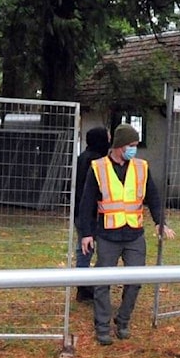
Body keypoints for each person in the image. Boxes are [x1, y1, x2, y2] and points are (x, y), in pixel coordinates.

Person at [78, 123, 175, 346]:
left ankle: (122, 320)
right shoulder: (98, 167)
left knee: (136, 280)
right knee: (102, 283)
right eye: (131, 145)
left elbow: (153, 196)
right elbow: (87, 203)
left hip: (134, 235)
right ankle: (102, 327)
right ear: (120, 146)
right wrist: (87, 233)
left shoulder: (141, 167)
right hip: (107, 235)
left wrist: (160, 222)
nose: (134, 149)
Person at [73, 126, 111, 302]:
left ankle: (84, 286)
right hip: (94, 213)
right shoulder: (97, 161)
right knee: (101, 250)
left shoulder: (82, 158)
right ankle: (89, 286)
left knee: (84, 250)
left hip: (80, 212)